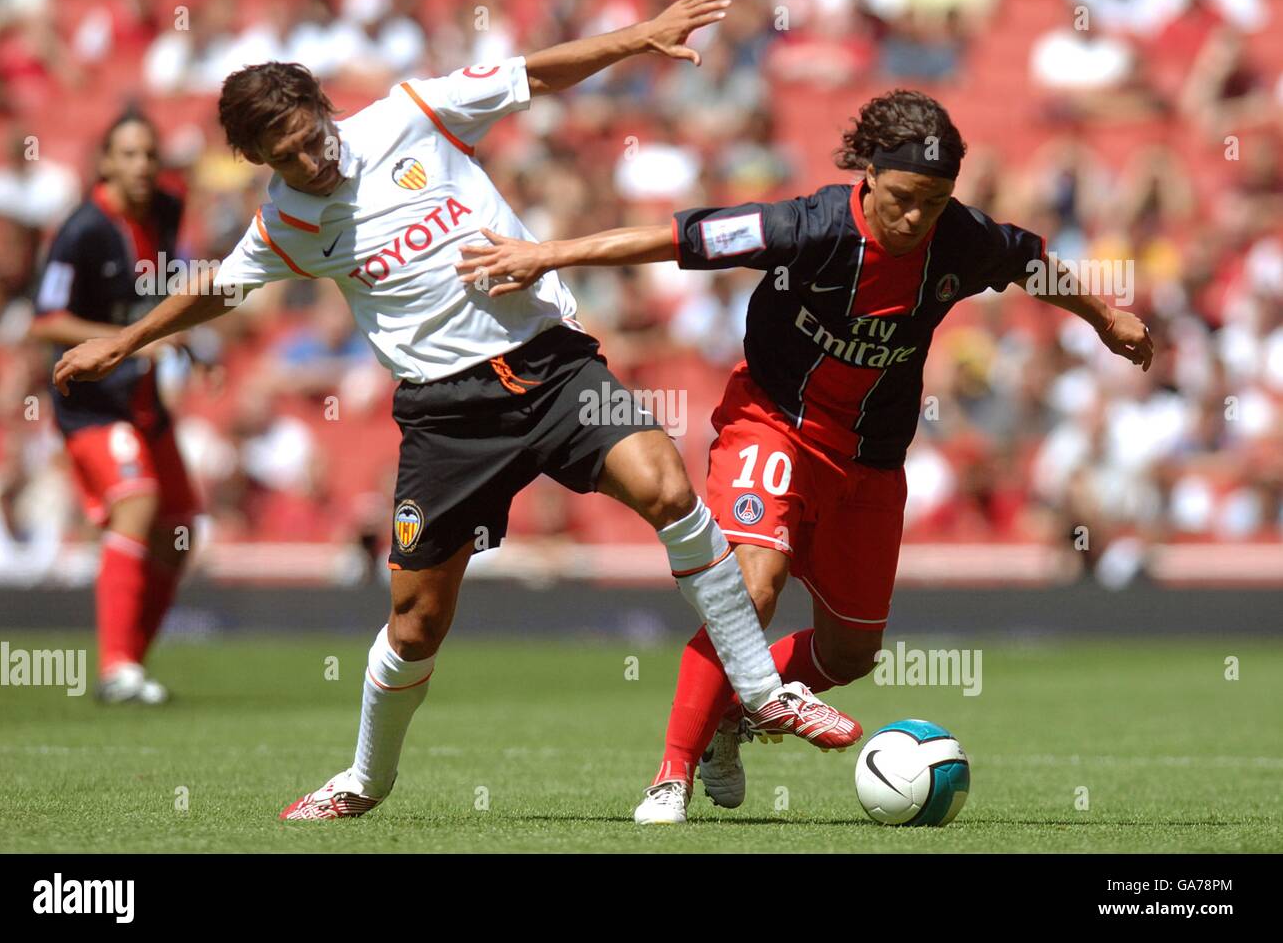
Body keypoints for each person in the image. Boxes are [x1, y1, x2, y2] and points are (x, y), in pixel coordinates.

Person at [52, 0, 862, 821]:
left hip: (551, 368)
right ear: (263, 160)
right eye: (290, 156)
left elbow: (531, 75)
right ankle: (365, 780)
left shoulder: (411, 113)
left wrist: (641, 38)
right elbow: (219, 287)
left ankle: (764, 692)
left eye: (313, 137)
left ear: (325, 111)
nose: (314, 160)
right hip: (447, 416)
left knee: (668, 489)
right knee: (416, 623)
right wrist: (126, 341)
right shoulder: (288, 222)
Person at [454, 88, 1157, 823]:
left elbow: (1031, 262)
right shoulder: (806, 227)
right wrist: (547, 254)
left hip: (873, 460)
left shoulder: (960, 237)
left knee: (851, 653)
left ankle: (734, 714)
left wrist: (1106, 319)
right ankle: (672, 775)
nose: (917, 217)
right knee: (751, 590)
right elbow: (677, 238)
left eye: (936, 200)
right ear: (869, 178)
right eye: (905, 198)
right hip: (773, 424)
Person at [31, 110, 199, 704]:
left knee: (179, 529)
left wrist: (185, 339)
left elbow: (159, 288)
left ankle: (132, 665)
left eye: (150, 154)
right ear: (105, 162)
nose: (142, 166)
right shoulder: (80, 231)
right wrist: (129, 340)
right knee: (138, 500)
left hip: (146, 399)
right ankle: (115, 668)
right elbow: (46, 321)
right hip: (93, 406)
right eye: (128, 154)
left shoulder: (168, 210)